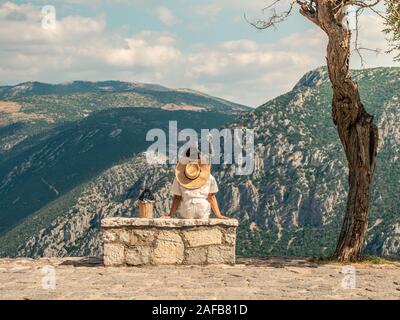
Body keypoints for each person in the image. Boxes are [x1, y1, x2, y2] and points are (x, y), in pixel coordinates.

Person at [165, 147, 228, 219]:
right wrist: (219, 215)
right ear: (199, 159)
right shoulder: (209, 177)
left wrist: (170, 215)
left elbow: (177, 197)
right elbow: (211, 197)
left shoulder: (178, 178)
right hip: (203, 209)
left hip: (187, 209)